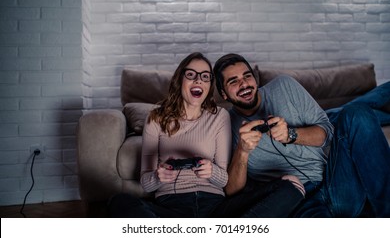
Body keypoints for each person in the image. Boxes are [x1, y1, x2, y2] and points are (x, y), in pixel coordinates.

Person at [108, 52, 304, 218]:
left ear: (210, 86)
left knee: (292, 186)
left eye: (205, 77)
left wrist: (212, 171)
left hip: (216, 208)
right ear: (180, 80)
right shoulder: (156, 118)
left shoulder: (220, 117)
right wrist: (159, 176)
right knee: (118, 202)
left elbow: (224, 181)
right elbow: (146, 183)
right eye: (191, 75)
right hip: (170, 208)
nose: (198, 80)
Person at [213, 53, 390, 218]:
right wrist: (242, 152)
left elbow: (327, 133)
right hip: (299, 200)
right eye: (233, 81)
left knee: (357, 113)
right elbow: (232, 191)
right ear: (223, 94)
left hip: (335, 179)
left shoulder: (284, 86)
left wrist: (291, 134)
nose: (244, 84)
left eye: (247, 76)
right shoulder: (225, 124)